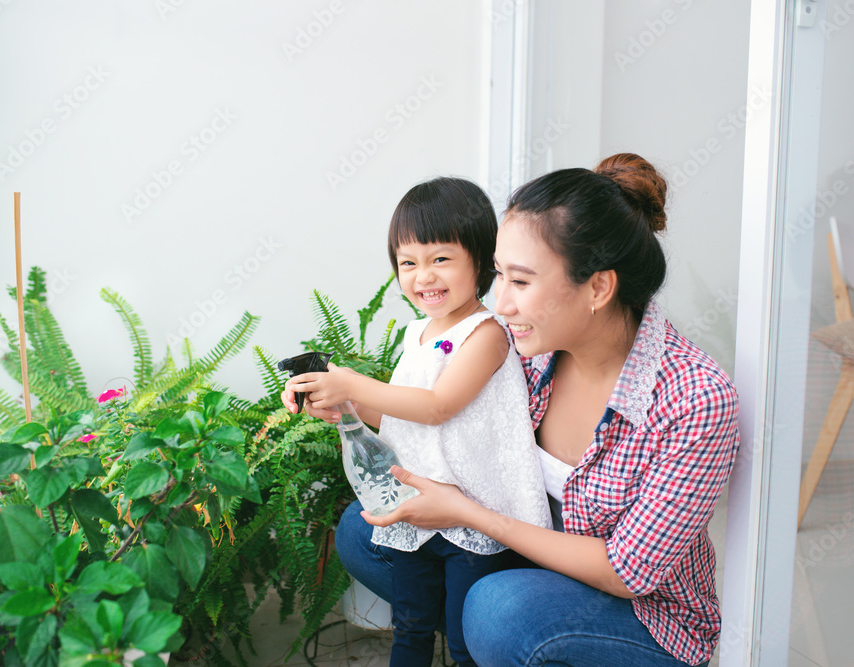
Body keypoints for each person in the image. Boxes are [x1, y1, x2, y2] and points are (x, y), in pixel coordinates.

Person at [324, 154, 740, 666]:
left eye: (520, 282)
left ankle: (488, 634)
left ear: (598, 288)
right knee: (363, 531)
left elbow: (626, 572)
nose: (500, 303)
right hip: (530, 562)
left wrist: (466, 514)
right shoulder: (532, 354)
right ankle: (476, 636)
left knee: (498, 611)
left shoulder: (694, 398)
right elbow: (448, 425)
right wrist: (346, 408)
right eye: (498, 276)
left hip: (641, 617)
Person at [283, 177, 552, 667]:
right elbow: (402, 415)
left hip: (471, 514)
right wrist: (339, 401)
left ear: (481, 259)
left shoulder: (487, 334)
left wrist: (352, 382)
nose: (423, 276)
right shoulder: (418, 334)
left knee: (467, 642)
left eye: (440, 259)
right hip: (416, 504)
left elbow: (437, 406)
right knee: (409, 624)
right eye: (408, 263)